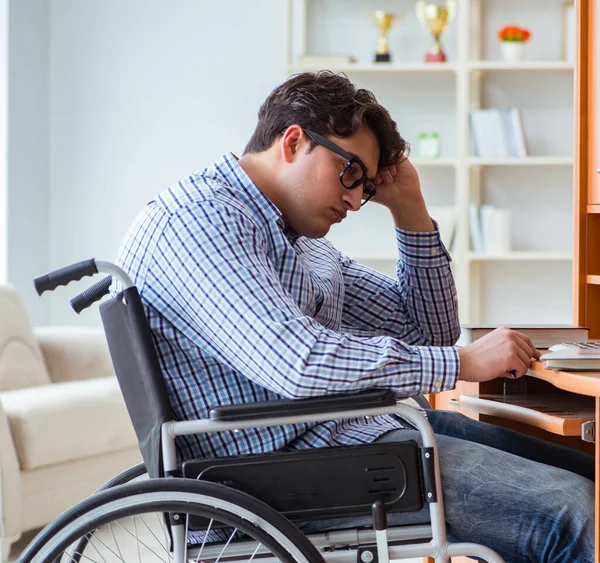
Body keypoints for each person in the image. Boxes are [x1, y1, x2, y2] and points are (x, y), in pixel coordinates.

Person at [117, 71, 594, 562]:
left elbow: (427, 330)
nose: (355, 199)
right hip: (282, 471)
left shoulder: (300, 244)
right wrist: (462, 364)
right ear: (294, 141)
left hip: (348, 440)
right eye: (350, 172)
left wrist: (408, 206)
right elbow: (301, 362)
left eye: (365, 186)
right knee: (572, 510)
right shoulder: (202, 221)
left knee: (586, 469)